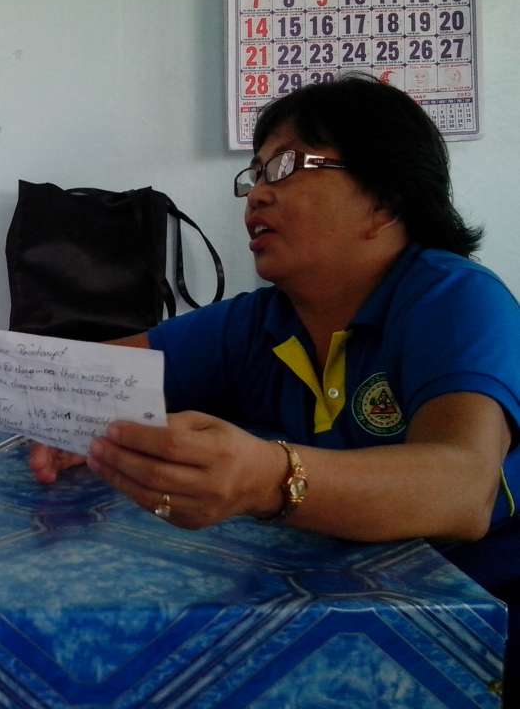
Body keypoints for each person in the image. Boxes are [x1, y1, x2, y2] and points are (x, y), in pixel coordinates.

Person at [29, 74, 520, 697]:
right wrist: (76, 417)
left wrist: (266, 478)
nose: (256, 196)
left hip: (482, 624)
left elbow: (463, 488)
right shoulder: (262, 322)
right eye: (255, 175)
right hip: (335, 609)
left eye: (287, 167)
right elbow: (80, 376)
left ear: (384, 200)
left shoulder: (455, 298)